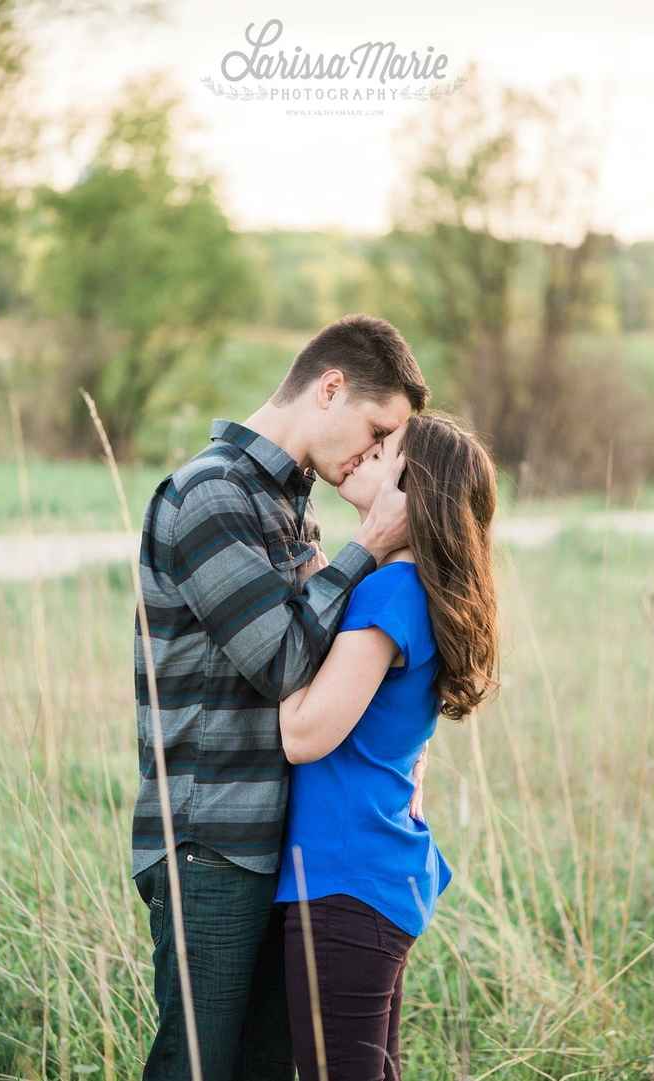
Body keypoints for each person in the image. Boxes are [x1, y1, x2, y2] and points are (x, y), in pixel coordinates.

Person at [131, 313, 432, 1079]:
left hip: (280, 842)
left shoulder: (287, 502)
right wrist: (368, 545)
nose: (375, 457)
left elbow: (336, 665)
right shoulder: (210, 495)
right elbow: (285, 660)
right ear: (329, 388)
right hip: (213, 843)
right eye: (376, 430)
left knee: (265, 1065)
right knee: (199, 1064)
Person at [274, 411, 500, 1081]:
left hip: (344, 879)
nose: (364, 454)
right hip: (369, 875)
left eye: (384, 450)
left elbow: (303, 733)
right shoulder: (407, 588)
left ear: (411, 488)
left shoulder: (391, 593)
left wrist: (275, 644)